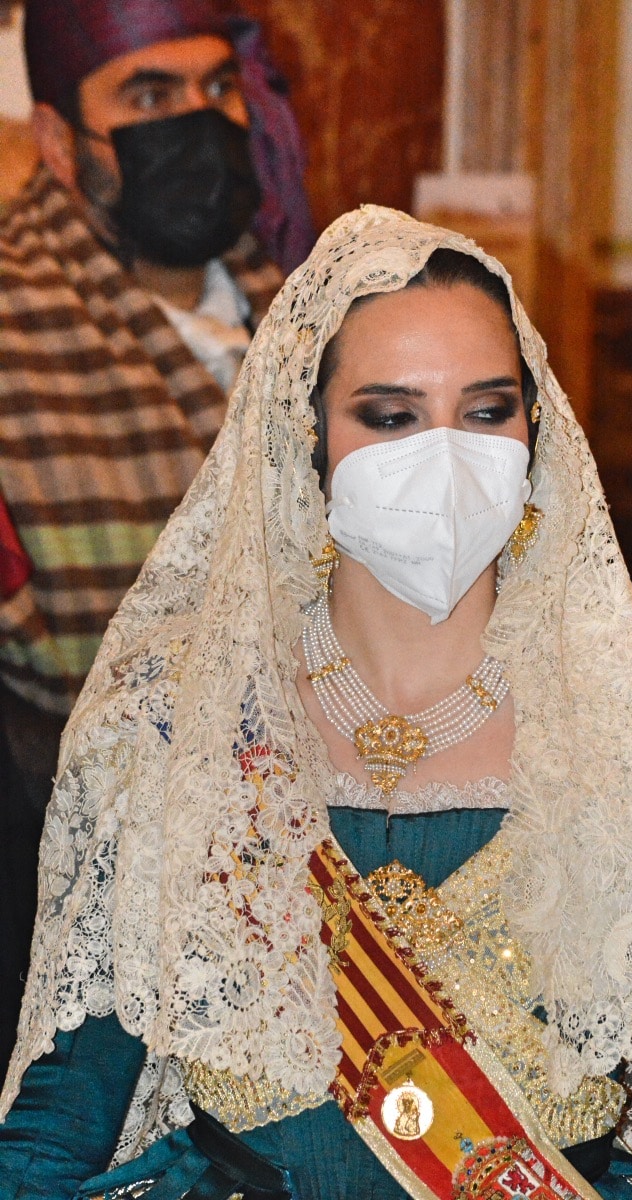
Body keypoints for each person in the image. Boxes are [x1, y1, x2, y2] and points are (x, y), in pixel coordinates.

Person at [1, 206, 632, 1200]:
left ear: (536, 430)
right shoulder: (174, 725)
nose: (446, 456)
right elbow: (59, 1119)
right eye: (390, 417)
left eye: (486, 412)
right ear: (306, 435)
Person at [0, 0, 315, 1076]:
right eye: (148, 95)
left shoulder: (313, 308)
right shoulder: (13, 327)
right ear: (57, 141)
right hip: (83, 914)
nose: (198, 122)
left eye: (216, 88)